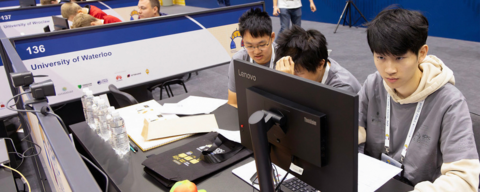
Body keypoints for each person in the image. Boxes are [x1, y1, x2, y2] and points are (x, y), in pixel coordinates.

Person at [359, 7, 480, 191]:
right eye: (381, 57)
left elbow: (464, 179)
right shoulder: (373, 84)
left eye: (399, 58)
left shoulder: (449, 102)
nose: (389, 69)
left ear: (422, 53)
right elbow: (351, 133)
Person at [275, 25, 361, 94]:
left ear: (320, 64)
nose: (290, 74)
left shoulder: (342, 88)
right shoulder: (313, 62)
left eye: (297, 71)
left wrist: (288, 84)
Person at [227, 8, 277, 108]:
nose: (256, 52)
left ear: (272, 37)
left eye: (262, 44)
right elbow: (233, 102)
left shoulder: (285, 57)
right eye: (249, 46)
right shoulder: (239, 60)